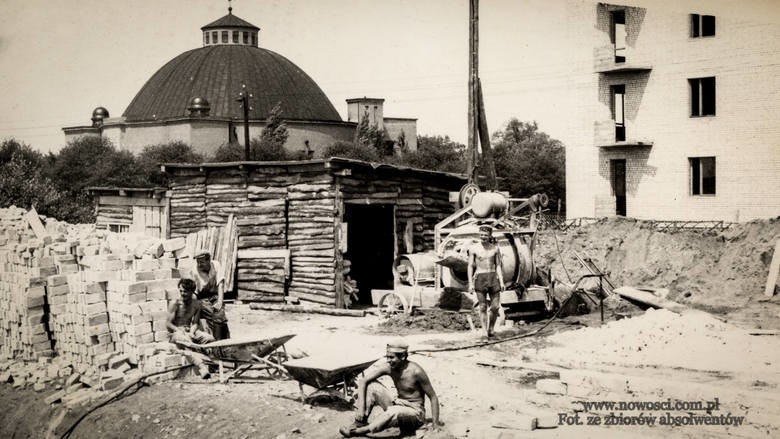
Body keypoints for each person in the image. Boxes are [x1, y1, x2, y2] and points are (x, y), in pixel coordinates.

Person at [339, 339, 441, 438]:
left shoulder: (416, 371)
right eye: (387, 357)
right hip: (398, 404)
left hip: (415, 413)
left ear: (403, 357)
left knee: (394, 411)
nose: (389, 361)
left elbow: (433, 397)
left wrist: (435, 425)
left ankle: (360, 431)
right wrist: (361, 409)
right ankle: (360, 423)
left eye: (392, 357)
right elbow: (363, 381)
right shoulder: (389, 367)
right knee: (372, 385)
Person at [166, 278, 214, 378]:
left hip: (189, 330)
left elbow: (195, 323)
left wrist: (192, 332)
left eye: (185, 291)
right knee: (187, 341)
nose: (182, 293)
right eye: (181, 291)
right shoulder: (175, 303)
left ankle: (212, 363)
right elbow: (168, 324)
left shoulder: (196, 304)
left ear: (192, 292)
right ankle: (202, 367)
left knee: (209, 338)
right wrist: (179, 330)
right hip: (176, 333)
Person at [467, 224, 505, 338]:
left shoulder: (495, 248)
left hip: (493, 277)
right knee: (482, 306)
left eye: (485, 235)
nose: (483, 237)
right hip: (480, 277)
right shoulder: (474, 248)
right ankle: (484, 330)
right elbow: (470, 266)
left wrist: (501, 281)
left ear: (490, 236)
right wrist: (470, 283)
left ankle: (491, 328)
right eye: (481, 235)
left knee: (495, 307)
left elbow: (498, 265)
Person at [187, 250, 230, 340]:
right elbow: (193, 293)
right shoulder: (194, 271)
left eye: (202, 262)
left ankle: (225, 340)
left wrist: (219, 302)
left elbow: (220, 284)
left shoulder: (216, 265)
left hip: (214, 296)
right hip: (201, 298)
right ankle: (217, 342)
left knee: (219, 313)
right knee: (212, 313)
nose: (199, 265)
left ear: (209, 260)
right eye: (198, 262)